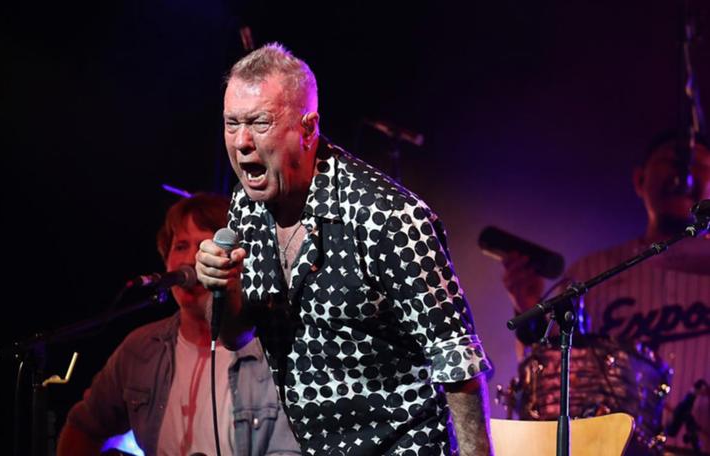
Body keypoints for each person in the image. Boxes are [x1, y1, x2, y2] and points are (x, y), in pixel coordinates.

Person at [196, 43, 494, 456]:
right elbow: (235, 333)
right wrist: (223, 286)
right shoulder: (246, 207)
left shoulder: (388, 217)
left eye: (259, 123)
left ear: (307, 127)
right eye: (232, 124)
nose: (242, 141)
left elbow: (458, 362)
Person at [502, 132, 710, 455]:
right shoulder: (591, 272)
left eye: (698, 165)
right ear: (640, 179)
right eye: (673, 162)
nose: (684, 176)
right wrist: (529, 307)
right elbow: (552, 378)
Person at [57, 193, 301, 456]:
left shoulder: (272, 348)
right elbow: (83, 427)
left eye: (203, 245)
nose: (189, 260)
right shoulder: (140, 349)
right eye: (181, 246)